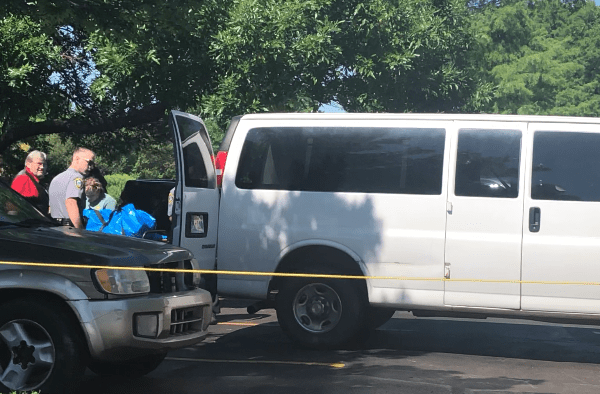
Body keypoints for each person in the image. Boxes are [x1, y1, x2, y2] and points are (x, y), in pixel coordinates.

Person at [49, 147, 95, 228]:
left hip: (53, 226)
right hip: (69, 228)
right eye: (89, 162)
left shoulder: (58, 178)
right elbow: (71, 202)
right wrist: (80, 230)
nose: (91, 167)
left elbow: (50, 207)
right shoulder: (77, 178)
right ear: (77, 159)